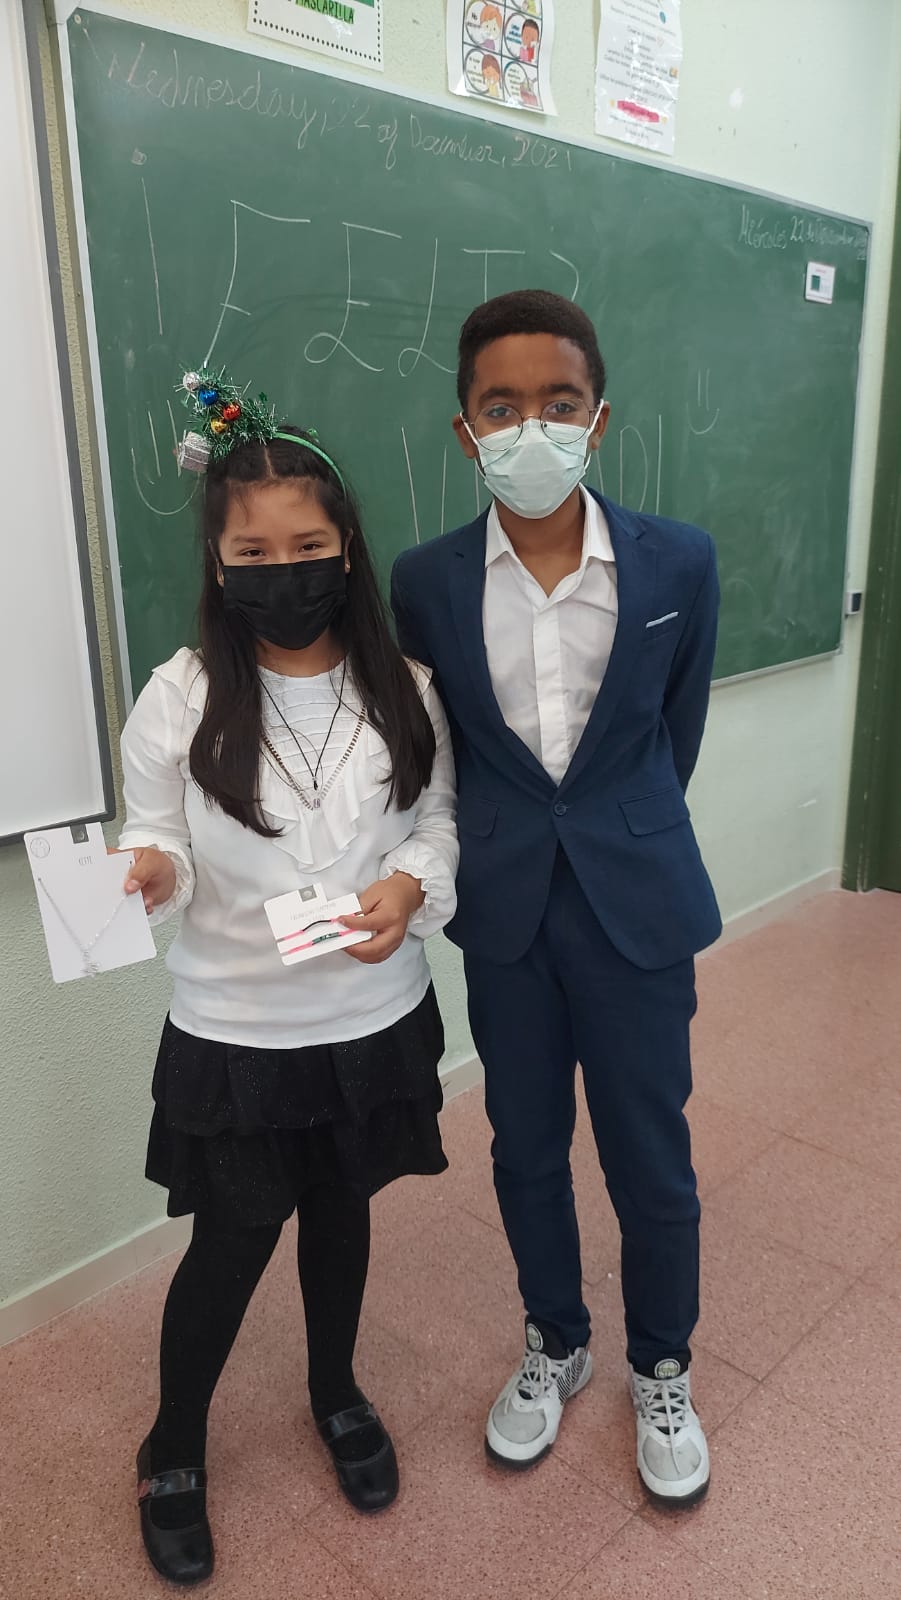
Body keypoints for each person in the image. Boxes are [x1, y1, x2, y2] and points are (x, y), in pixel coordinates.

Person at [118, 369, 458, 1585]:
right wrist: (147, 872)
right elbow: (151, 836)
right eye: (251, 552)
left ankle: (335, 1389)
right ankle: (172, 1442)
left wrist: (409, 888)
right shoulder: (179, 696)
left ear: (345, 547)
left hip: (371, 1012)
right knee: (233, 1236)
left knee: (343, 1210)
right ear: (218, 566)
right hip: (239, 1028)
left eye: (307, 546)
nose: (282, 570)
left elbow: (436, 824)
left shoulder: (406, 687)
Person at [391, 290, 721, 1506]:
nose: (531, 427)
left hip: (637, 905)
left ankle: (661, 1365)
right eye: (500, 406)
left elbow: (671, 736)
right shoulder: (424, 581)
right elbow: (436, 745)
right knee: (523, 1143)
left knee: (650, 1151)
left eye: (558, 402)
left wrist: (618, 829)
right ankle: (555, 1340)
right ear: (465, 430)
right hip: (507, 909)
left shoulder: (677, 559)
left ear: (598, 417)